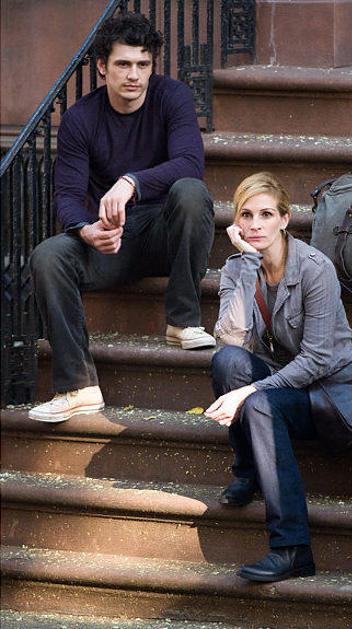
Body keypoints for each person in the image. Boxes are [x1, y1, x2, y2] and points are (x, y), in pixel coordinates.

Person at [29, 12, 215, 423]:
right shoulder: (81, 119)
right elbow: (68, 196)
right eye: (123, 64)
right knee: (48, 255)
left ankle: (182, 322)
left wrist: (132, 181)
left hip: (167, 233)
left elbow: (190, 163)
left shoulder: (172, 97)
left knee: (191, 191)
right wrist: (86, 230)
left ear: (152, 66)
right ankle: (79, 386)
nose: (134, 75)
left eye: (143, 64)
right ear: (102, 66)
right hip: (113, 243)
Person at [205, 172, 352, 583]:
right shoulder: (236, 268)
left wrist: (251, 390)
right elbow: (231, 340)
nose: (256, 224)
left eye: (266, 214)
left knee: (257, 401)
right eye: (246, 215)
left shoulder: (314, 268)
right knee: (227, 363)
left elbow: (317, 360)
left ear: (285, 219)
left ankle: (292, 549)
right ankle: (249, 471)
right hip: (282, 387)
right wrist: (247, 265)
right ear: (236, 224)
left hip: (330, 394)